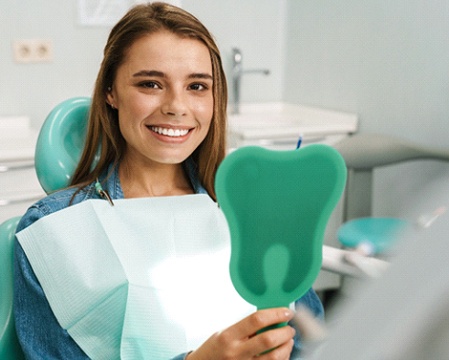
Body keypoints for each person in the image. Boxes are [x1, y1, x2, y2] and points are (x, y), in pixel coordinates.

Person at [14, 2, 324, 359]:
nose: (177, 106)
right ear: (110, 93)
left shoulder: (253, 212)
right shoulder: (53, 231)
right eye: (151, 83)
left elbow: (311, 339)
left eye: (196, 86)